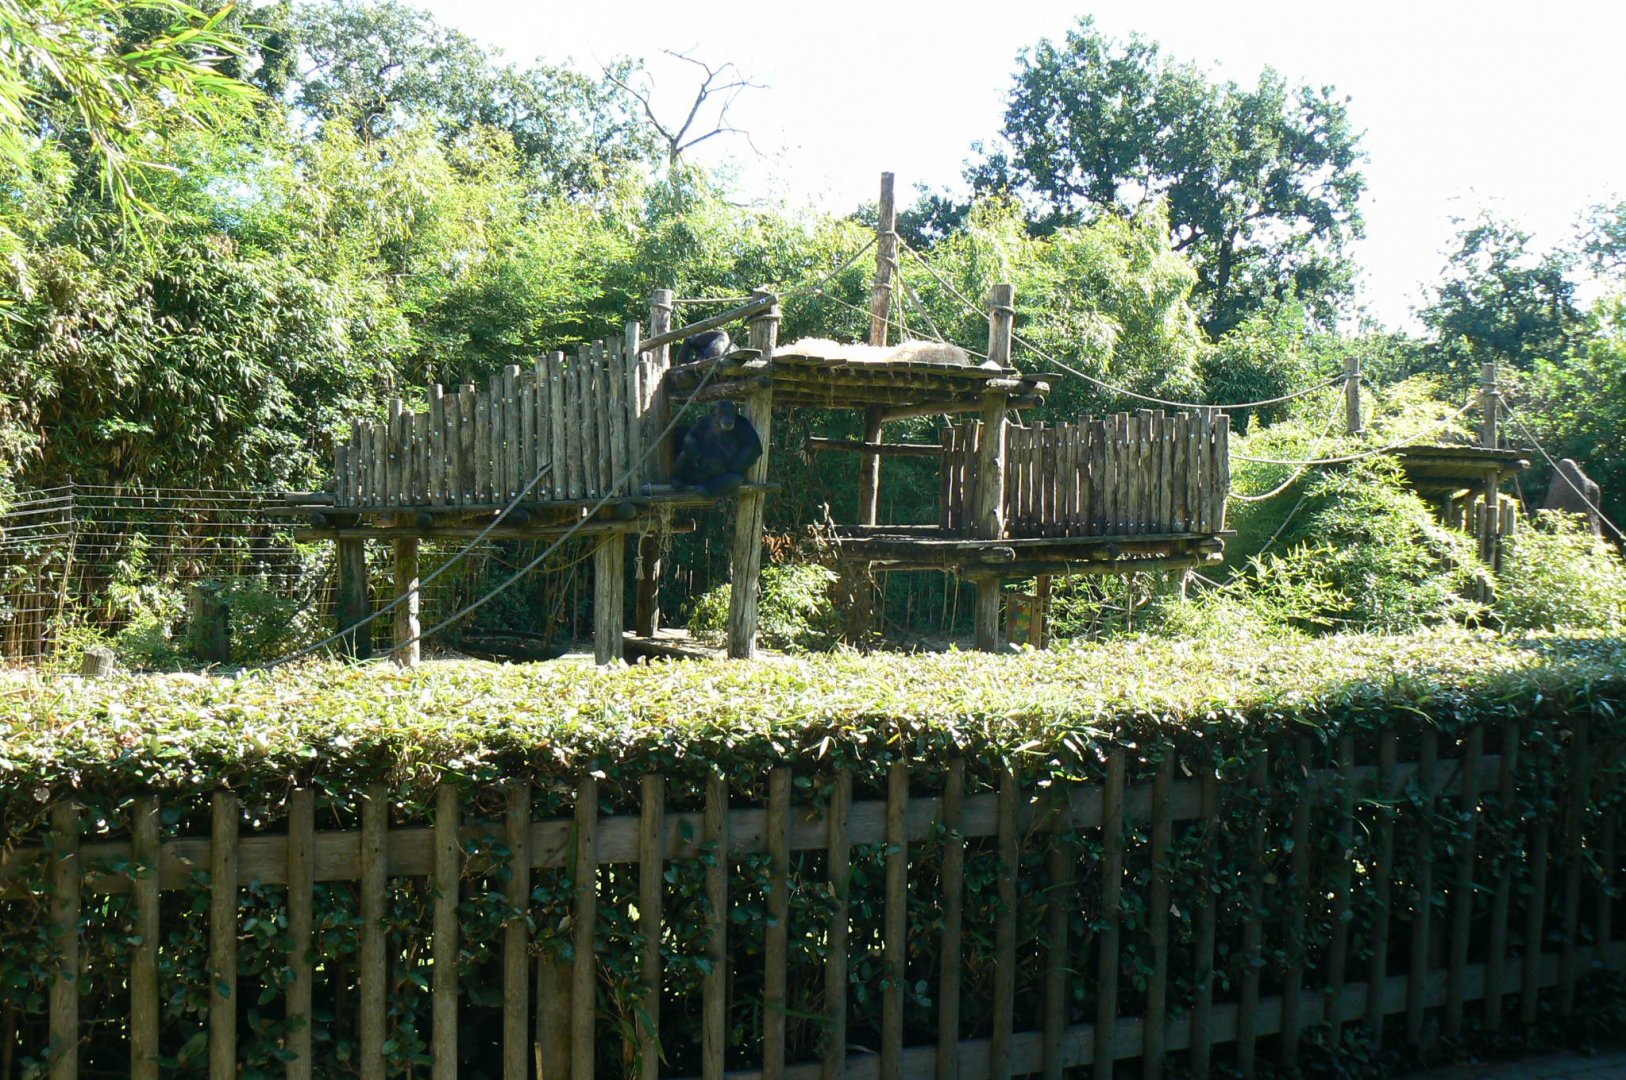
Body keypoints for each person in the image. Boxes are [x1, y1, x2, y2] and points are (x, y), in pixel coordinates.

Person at [673, 400, 761, 496]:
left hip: (721, 475)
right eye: (723, 413)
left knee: (737, 479)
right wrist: (694, 451)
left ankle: (708, 490)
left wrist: (736, 465)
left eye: (730, 414)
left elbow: (755, 447)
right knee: (684, 454)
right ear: (713, 413)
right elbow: (690, 437)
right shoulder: (706, 421)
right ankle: (678, 478)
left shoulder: (741, 424)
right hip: (699, 469)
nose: (728, 418)